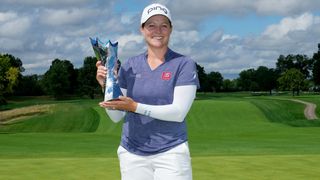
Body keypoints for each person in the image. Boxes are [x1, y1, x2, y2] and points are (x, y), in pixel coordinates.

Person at [96, 3, 199, 180]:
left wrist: (134, 106)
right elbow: (116, 116)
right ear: (142, 29)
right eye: (151, 25)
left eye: (163, 25)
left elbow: (178, 113)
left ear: (171, 29)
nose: (157, 30)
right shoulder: (130, 65)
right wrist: (107, 85)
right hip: (132, 153)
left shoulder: (184, 64)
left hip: (171, 152)